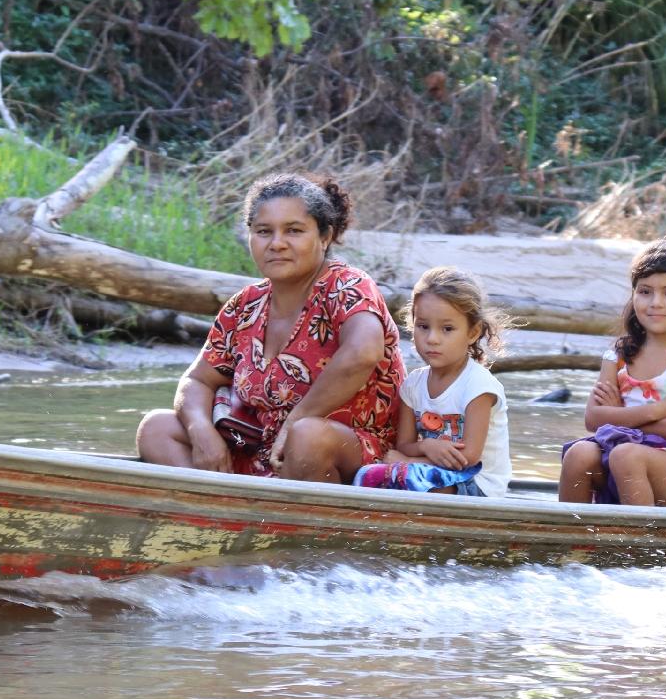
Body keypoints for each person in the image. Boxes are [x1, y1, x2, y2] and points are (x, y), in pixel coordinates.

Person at [134, 174, 404, 482]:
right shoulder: (246, 305)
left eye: (294, 230)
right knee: (157, 428)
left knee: (307, 436)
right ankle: (225, 518)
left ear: (325, 236)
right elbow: (197, 380)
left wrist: (295, 421)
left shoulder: (346, 285)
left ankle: (266, 518)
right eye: (264, 231)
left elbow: (364, 352)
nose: (276, 243)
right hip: (263, 451)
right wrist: (201, 431)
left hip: (352, 454)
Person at [558, 239, 666, 507]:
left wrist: (618, 418)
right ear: (633, 294)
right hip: (620, 451)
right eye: (645, 291)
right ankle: (572, 544)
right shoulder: (620, 354)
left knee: (627, 455)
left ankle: (638, 547)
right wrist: (654, 412)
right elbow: (593, 418)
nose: (655, 303)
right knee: (579, 453)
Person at [354, 267, 515, 497]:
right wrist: (425, 446)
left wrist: (409, 462)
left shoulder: (479, 386)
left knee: (426, 486)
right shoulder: (414, 384)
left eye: (447, 329)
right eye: (423, 326)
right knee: (373, 475)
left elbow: (467, 458)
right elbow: (404, 444)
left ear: (473, 332)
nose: (432, 339)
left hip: (477, 483)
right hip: (429, 470)